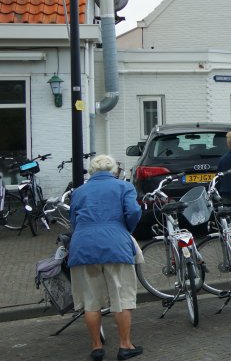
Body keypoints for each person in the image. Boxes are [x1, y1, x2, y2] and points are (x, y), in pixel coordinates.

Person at [68, 154, 142, 361]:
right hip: (115, 245)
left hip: (83, 246)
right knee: (122, 299)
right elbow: (134, 212)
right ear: (114, 171)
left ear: (91, 172)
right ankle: (125, 345)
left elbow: (73, 218)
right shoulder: (123, 187)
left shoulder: (79, 191)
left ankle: (96, 347)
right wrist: (124, 230)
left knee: (91, 301)